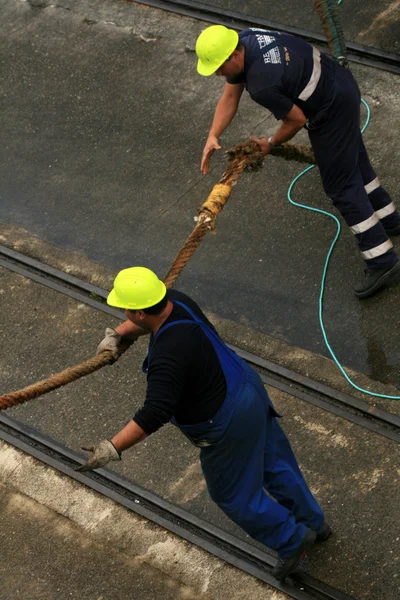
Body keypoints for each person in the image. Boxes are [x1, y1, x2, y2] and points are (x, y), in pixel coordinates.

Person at [78, 266, 331, 581]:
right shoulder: (177, 301)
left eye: (127, 309)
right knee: (275, 464)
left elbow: (154, 412)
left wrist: (111, 447)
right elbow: (142, 322)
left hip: (226, 421)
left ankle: (292, 540)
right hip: (247, 389)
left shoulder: (167, 357)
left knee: (232, 494)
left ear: (140, 311)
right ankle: (314, 523)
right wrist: (119, 334)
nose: (124, 313)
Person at [196, 25, 400, 299]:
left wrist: (270, 143)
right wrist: (213, 135)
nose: (219, 74)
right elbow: (230, 95)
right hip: (341, 85)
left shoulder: (263, 83)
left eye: (219, 68)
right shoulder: (246, 37)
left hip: (330, 111)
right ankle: (390, 220)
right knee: (355, 164)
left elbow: (295, 120)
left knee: (341, 187)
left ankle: (382, 260)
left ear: (234, 55)